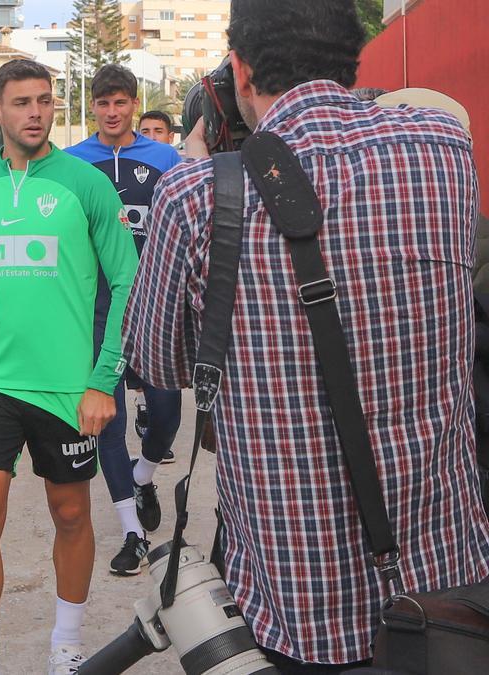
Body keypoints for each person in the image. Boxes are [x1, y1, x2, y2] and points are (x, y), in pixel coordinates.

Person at [126, 0, 489, 671]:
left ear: (239, 70)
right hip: (447, 589)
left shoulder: (198, 194)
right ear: (352, 59)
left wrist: (195, 163)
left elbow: (158, 360)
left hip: (296, 597)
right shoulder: (446, 151)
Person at [0, 58, 137, 675]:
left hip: (66, 388)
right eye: (20, 102)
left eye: (44, 101)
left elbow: (130, 279)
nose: (35, 113)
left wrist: (104, 380)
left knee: (71, 513)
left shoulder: (86, 183)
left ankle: (66, 643)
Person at [65, 64, 183, 576]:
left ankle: (144, 473)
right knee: (106, 421)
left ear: (134, 104)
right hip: (95, 311)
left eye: (121, 102)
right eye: (103, 103)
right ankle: (132, 535)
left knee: (166, 411)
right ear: (92, 106)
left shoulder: (164, 158)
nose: (112, 112)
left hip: (152, 302)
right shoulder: (72, 162)